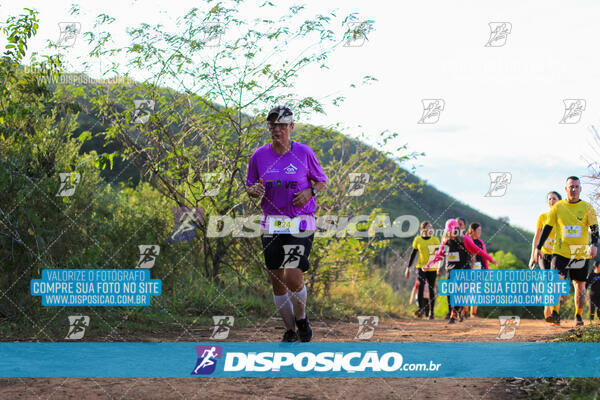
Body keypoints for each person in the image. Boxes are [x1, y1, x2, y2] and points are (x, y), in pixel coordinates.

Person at [246, 105, 328, 342]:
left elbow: (321, 181)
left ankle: (301, 318)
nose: (277, 129)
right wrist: (253, 190)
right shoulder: (259, 156)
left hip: (300, 222)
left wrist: (310, 192)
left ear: (291, 127)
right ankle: (291, 330)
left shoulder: (303, 152)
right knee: (277, 280)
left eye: (282, 125)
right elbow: (250, 185)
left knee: (292, 275)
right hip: (272, 223)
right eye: (273, 125)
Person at [534, 176, 599, 327]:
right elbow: (548, 228)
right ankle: (555, 313)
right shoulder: (558, 207)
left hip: (579, 252)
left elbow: (594, 228)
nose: (574, 189)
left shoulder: (587, 207)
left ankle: (578, 315)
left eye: (576, 186)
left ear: (580, 189)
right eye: (571, 187)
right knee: (557, 281)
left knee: (579, 286)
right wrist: (538, 248)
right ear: (566, 189)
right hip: (561, 251)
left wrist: (594, 243)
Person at [425, 219, 498, 324]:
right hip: (451, 270)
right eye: (449, 231)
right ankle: (456, 311)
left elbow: (479, 251)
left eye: (453, 230)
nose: (451, 233)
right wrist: (428, 265)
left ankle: (454, 313)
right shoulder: (446, 242)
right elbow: (438, 256)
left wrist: (491, 259)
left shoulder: (465, 240)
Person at [528, 191, 562, 322]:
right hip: (544, 254)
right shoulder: (542, 217)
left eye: (554, 199)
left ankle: (555, 312)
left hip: (559, 254)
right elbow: (536, 237)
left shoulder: (563, 218)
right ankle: (548, 309)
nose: (551, 201)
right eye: (549, 199)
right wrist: (533, 256)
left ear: (559, 201)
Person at [405, 221, 440, 319]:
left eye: (431, 227)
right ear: (423, 229)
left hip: (432, 268)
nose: (431, 229)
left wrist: (438, 266)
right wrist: (408, 268)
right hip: (420, 267)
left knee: (431, 289)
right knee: (420, 285)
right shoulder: (417, 240)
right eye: (429, 227)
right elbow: (413, 254)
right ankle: (421, 309)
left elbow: (438, 255)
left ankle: (431, 312)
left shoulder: (435, 240)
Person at [465, 222, 489, 317]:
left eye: (480, 230)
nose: (480, 232)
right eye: (478, 230)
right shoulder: (466, 240)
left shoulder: (480, 242)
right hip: (467, 267)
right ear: (473, 230)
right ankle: (464, 311)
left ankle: (473, 313)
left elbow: (484, 257)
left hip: (478, 268)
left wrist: (486, 270)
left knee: (476, 291)